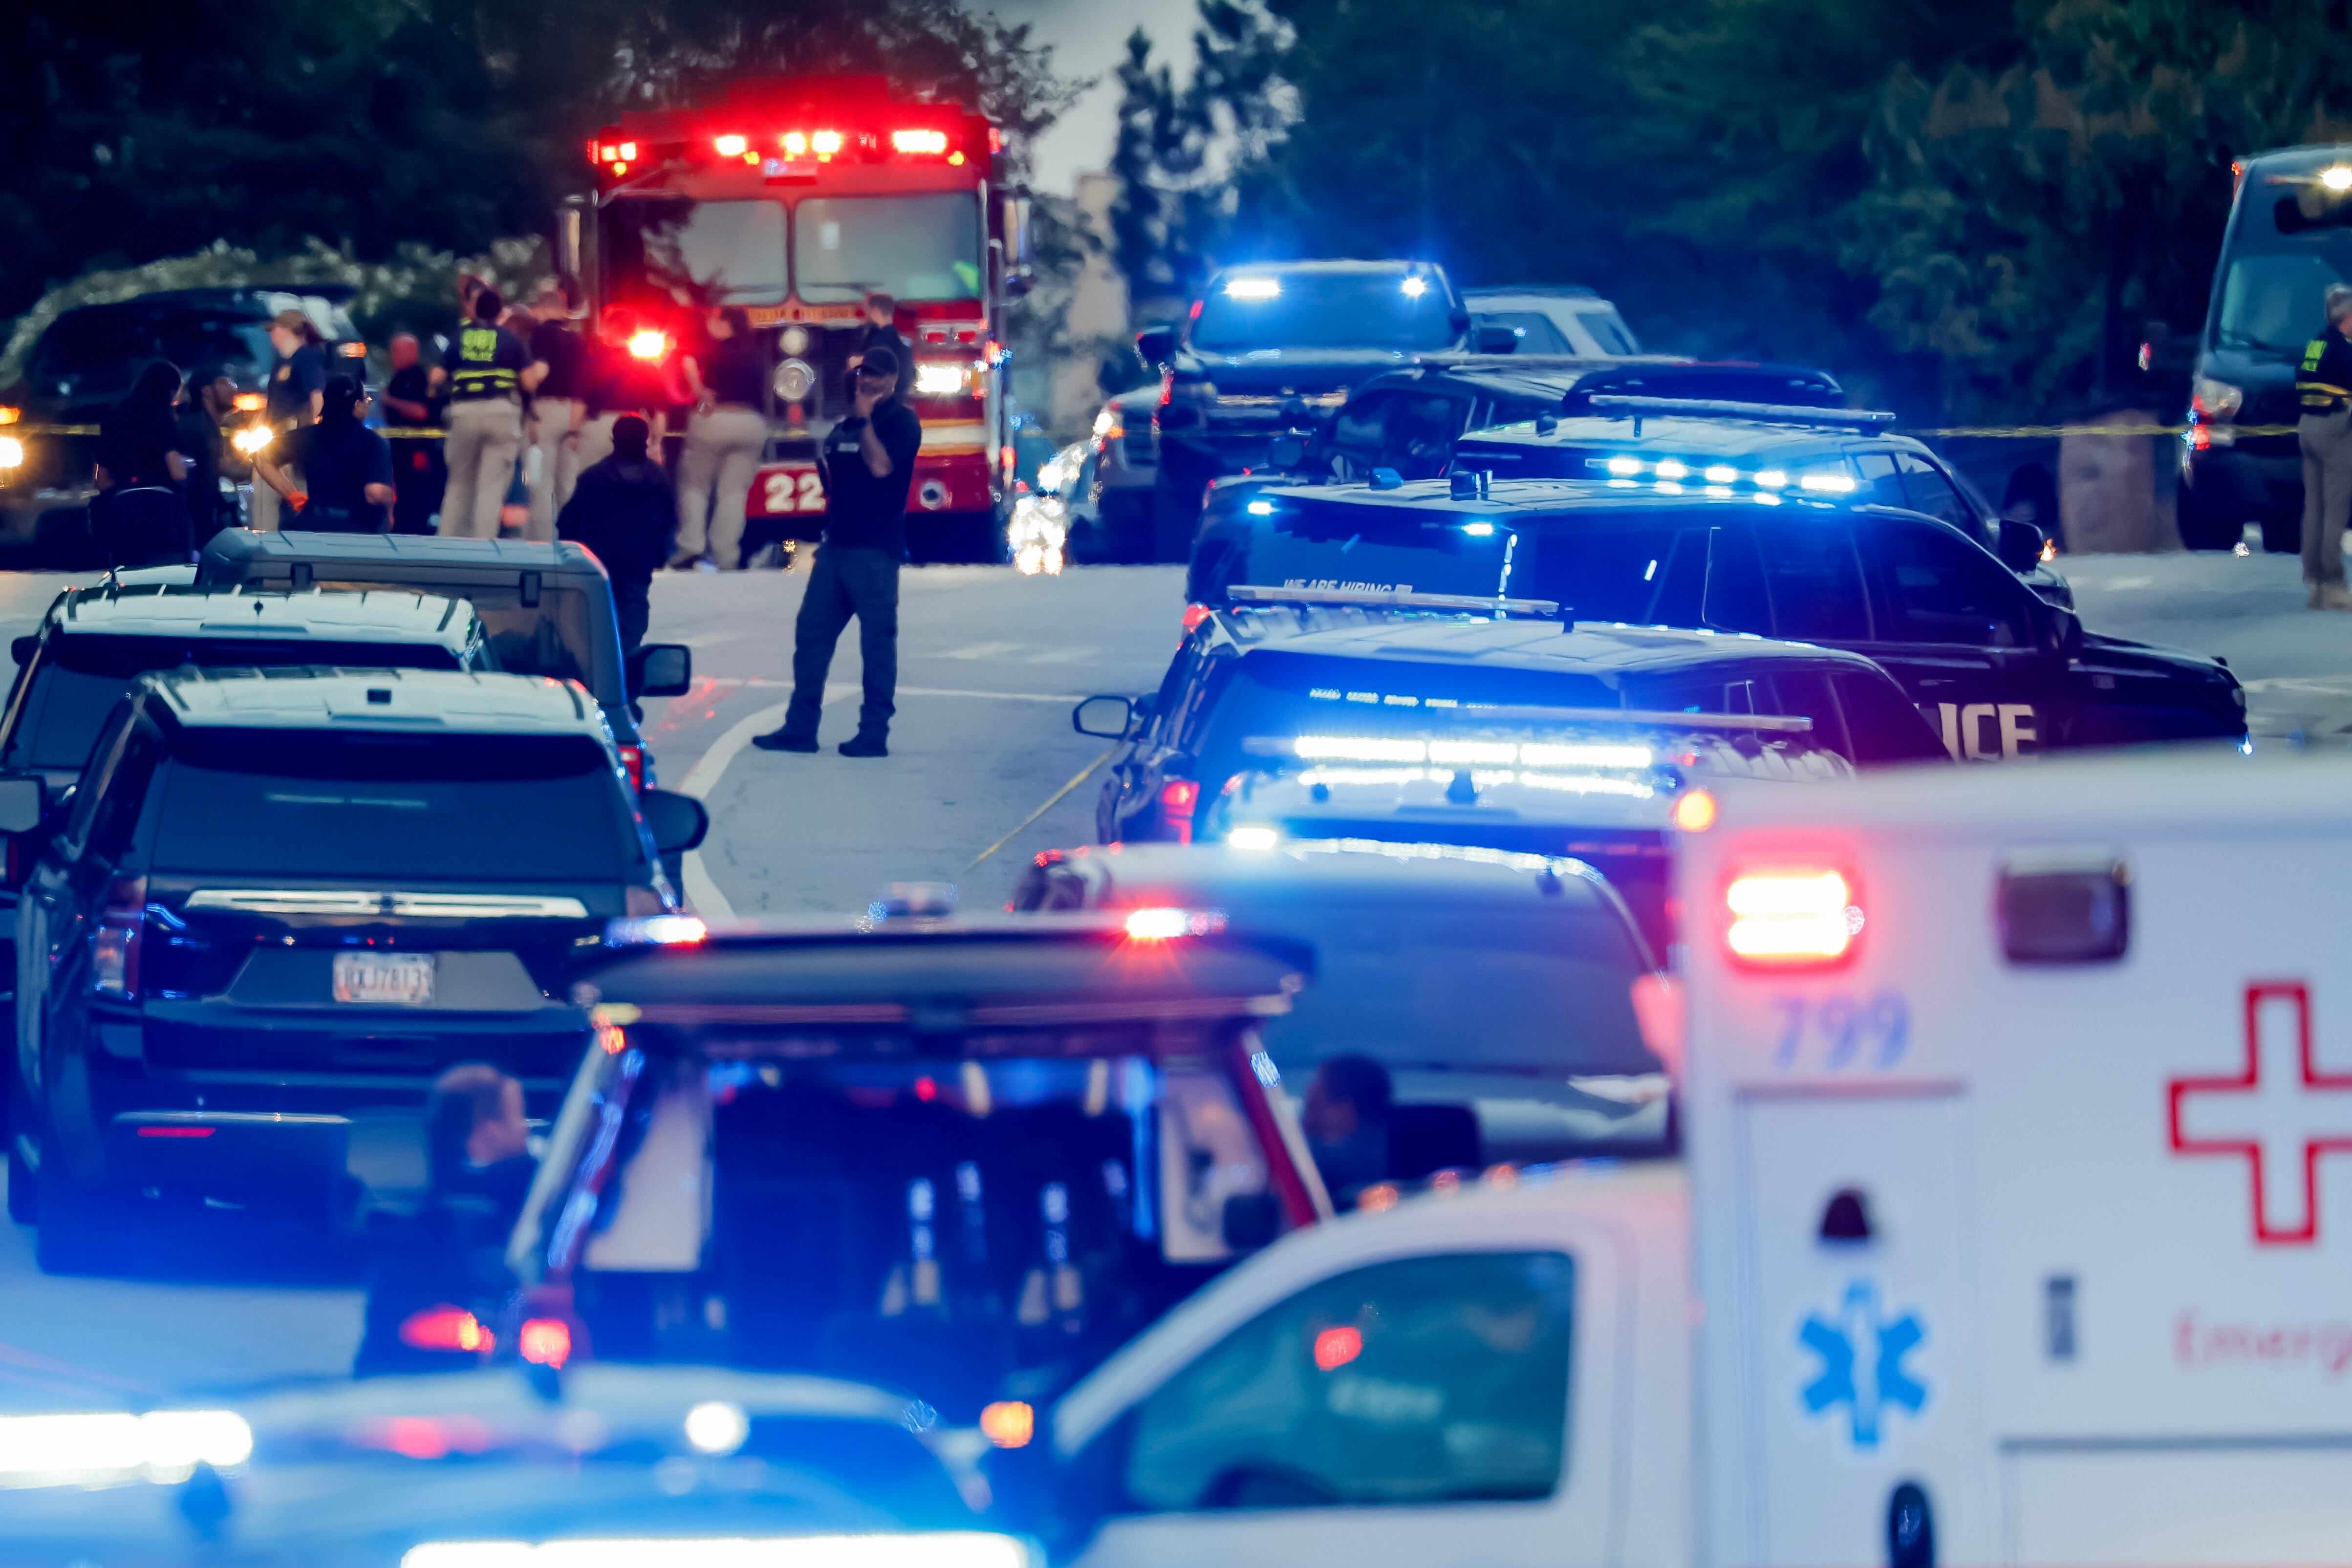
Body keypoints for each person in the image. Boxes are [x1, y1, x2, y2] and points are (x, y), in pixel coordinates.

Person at [755, 348, 922, 758]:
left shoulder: (901, 422)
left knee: (876, 644)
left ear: (892, 380)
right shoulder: (845, 425)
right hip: (836, 548)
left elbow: (881, 467)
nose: (868, 381)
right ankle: (800, 728)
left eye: (877, 375)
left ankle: (873, 733)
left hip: (875, 550)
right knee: (811, 636)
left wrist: (865, 420)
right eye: (864, 374)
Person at [557, 414, 675, 660]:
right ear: (646, 440)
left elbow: (568, 521)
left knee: (594, 618)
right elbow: (669, 521)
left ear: (613, 440)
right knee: (632, 621)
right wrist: (660, 555)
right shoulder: (659, 480)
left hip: (597, 561)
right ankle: (623, 665)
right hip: (638, 563)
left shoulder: (592, 477)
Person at [438, 287, 539, 538]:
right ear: (499, 312)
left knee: (458, 484)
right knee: (491, 487)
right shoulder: (510, 340)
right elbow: (529, 382)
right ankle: (483, 546)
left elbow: (436, 376)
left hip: (463, 413)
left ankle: (447, 542)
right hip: (501, 413)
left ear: (475, 310)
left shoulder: (459, 337)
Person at [673, 305, 768, 569]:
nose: (711, 326)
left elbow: (687, 360)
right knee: (734, 492)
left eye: (715, 322)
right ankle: (726, 555)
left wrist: (698, 389)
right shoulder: (757, 353)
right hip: (751, 422)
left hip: (714, 419)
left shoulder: (712, 349)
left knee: (695, 486)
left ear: (727, 324)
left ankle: (691, 546)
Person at [256, 375, 393, 532]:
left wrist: (292, 495)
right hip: (356, 529)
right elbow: (375, 493)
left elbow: (262, 456)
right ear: (357, 406)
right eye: (366, 400)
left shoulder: (307, 436)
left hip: (312, 525)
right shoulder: (373, 442)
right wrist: (391, 504)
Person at [93, 360, 194, 567]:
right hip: (162, 514)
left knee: (125, 574)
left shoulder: (114, 416)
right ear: (170, 390)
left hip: (122, 514)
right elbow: (177, 472)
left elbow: (101, 480)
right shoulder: (162, 416)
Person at [2297, 282, 2352, 611]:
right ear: (2346, 316)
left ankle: (2314, 582)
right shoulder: (2343, 350)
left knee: (2314, 508)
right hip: (2335, 430)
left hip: (2307, 427)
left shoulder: (2315, 344)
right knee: (2335, 509)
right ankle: (2333, 584)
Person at [250, 310, 327, 533]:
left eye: (274, 330)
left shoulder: (306, 357)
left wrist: (314, 434)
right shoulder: (282, 363)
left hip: (295, 440)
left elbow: (317, 397)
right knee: (266, 496)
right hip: (276, 440)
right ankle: (267, 538)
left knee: (295, 495)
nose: (271, 336)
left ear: (285, 330)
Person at [525, 282, 587, 540]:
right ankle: (570, 540)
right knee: (567, 483)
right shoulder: (577, 340)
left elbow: (540, 371)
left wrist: (523, 383)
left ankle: (540, 543)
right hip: (574, 413)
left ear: (541, 309)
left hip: (545, 412)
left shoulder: (541, 334)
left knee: (538, 482)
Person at [574, 306, 669, 472]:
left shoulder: (592, 362)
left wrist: (574, 432)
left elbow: (580, 403)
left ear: (609, 328)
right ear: (633, 331)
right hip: (635, 428)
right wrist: (656, 444)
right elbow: (660, 411)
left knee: (595, 480)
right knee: (632, 482)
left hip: (598, 427)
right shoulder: (647, 367)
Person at [1302, 1054, 1394, 1204]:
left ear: (1344, 1110)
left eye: (1314, 1105)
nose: (1304, 1118)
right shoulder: (1381, 1147)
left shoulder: (1325, 1162)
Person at [382, 332, 445, 535]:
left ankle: (414, 532)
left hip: (417, 451)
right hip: (400, 451)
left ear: (411, 352)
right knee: (403, 494)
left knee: (415, 496)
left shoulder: (418, 378)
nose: (392, 356)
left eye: (397, 351)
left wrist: (390, 401)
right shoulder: (398, 378)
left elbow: (421, 412)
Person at [173, 365, 238, 548]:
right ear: (206, 390)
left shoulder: (207, 426)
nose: (233, 388)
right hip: (190, 530)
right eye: (224, 383)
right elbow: (196, 485)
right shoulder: (195, 428)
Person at [855, 291, 912, 377]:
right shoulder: (905, 341)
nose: (865, 316)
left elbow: (866, 376)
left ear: (876, 312)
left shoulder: (877, 341)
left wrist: (856, 368)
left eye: (867, 311)